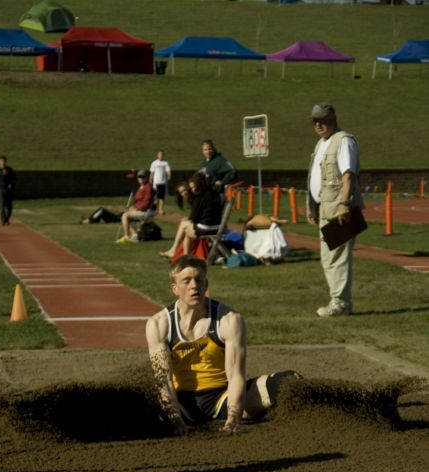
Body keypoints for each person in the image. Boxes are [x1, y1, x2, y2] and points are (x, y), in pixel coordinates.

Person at [146, 255, 299, 435]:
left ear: (206, 284)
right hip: (181, 404)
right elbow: (163, 381)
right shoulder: (158, 324)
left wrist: (233, 418)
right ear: (175, 288)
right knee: (138, 404)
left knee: (289, 381)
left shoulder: (229, 320)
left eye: (199, 280)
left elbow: (235, 376)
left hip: (222, 399)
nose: (194, 285)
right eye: (186, 281)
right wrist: (175, 418)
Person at [307, 102, 363, 317]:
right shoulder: (321, 143)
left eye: (322, 120)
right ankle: (340, 301)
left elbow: (348, 174)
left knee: (337, 257)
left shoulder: (344, 141)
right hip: (326, 208)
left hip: (340, 209)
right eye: (315, 121)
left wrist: (344, 204)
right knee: (328, 258)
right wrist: (313, 208)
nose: (318, 124)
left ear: (333, 119)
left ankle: (340, 303)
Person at [160, 172, 222, 260]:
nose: (192, 190)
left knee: (184, 225)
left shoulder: (200, 196)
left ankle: (175, 250)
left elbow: (193, 218)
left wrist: (188, 220)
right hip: (217, 226)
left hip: (208, 228)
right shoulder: (213, 192)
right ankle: (184, 257)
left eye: (193, 187)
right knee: (186, 229)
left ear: (199, 184)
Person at [117, 170, 155, 243]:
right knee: (122, 214)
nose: (141, 178)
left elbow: (146, 203)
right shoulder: (140, 188)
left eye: (143, 177)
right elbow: (137, 202)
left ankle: (127, 236)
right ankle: (134, 234)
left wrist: (136, 209)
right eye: (139, 177)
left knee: (125, 216)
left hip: (145, 212)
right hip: (139, 210)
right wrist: (131, 208)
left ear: (146, 178)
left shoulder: (148, 187)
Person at [0, 155, 16, 226]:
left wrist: (11, 184)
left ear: (5, 162)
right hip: (0, 191)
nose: (3, 162)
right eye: (1, 161)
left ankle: (7, 219)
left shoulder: (10, 170)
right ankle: (3, 221)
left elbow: (14, 178)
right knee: (2, 206)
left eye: (4, 161)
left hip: (8, 191)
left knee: (9, 208)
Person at [149, 150, 172, 215]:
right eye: (159, 154)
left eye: (162, 154)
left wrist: (169, 176)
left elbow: (168, 171)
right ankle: (155, 209)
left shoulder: (166, 163)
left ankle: (161, 210)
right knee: (155, 197)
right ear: (157, 155)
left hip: (163, 182)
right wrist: (150, 179)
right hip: (156, 182)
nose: (161, 156)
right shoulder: (154, 163)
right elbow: (152, 172)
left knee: (161, 197)